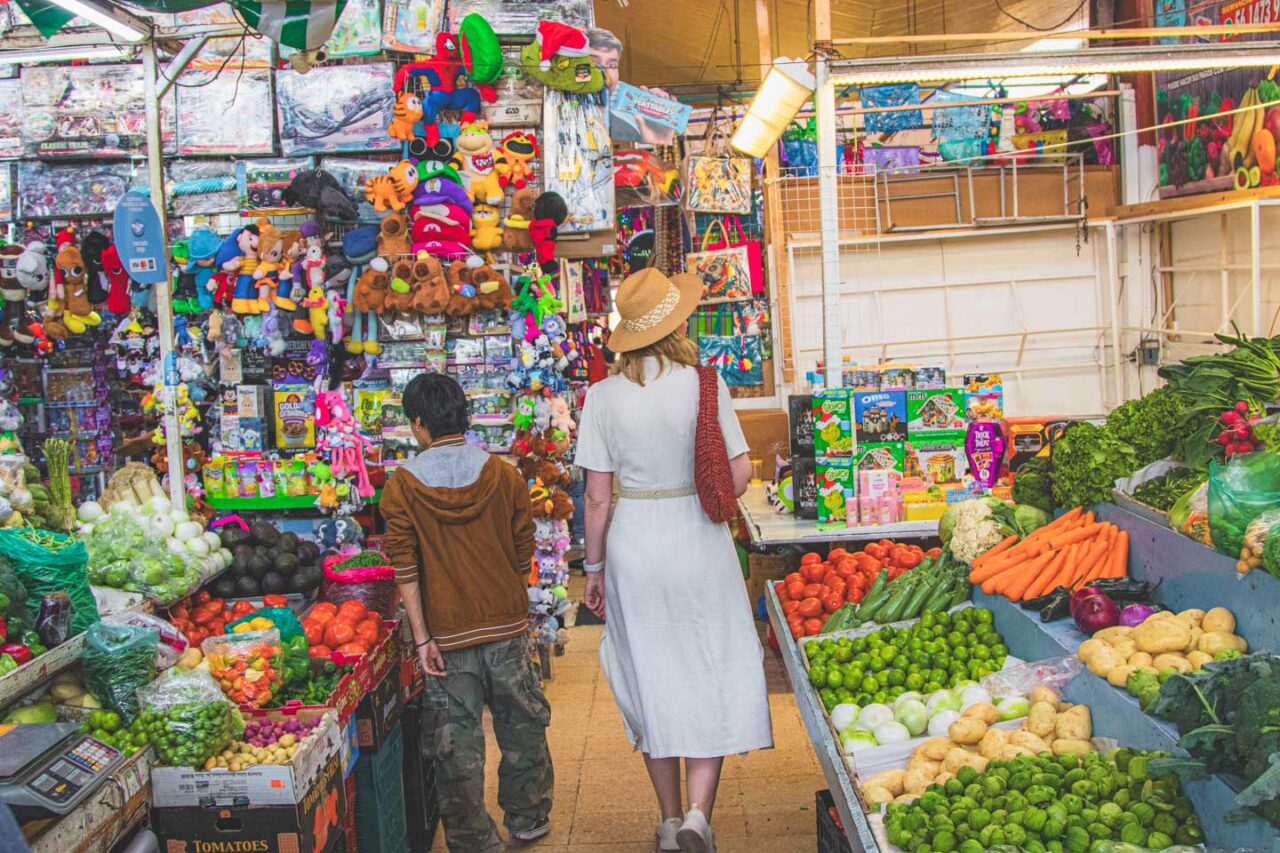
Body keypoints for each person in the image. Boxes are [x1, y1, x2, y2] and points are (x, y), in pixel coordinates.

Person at [574, 268, 773, 853]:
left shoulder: (601, 397)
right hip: (697, 542)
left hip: (634, 546)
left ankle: (665, 821)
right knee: (707, 670)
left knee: (653, 679)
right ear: (675, 322)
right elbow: (735, 474)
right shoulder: (704, 385)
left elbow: (596, 497)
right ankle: (697, 816)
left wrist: (593, 570)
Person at [384, 373, 553, 852]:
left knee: (455, 745)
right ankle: (528, 816)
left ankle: (474, 838)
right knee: (522, 724)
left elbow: (406, 568)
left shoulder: (403, 488)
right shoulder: (504, 475)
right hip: (506, 625)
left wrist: (421, 639)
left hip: (446, 636)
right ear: (463, 416)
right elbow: (524, 553)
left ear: (418, 424)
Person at [588, 28, 678, 146]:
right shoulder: (559, 115)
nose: (605, 73)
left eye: (612, 65)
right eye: (594, 63)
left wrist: (659, 139)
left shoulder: (617, 117)